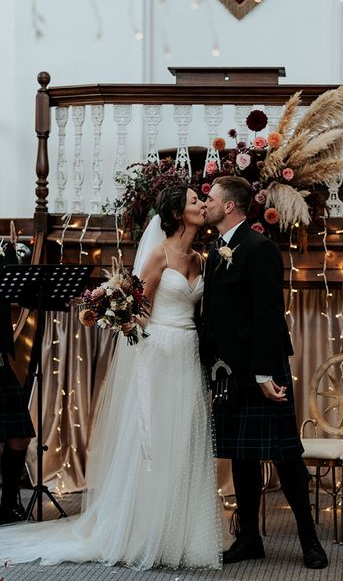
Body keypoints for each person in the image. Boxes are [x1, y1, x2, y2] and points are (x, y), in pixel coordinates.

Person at [0, 185, 222, 570]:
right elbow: (141, 310)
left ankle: (180, 533)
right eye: (193, 201)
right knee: (153, 439)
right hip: (158, 352)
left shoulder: (201, 260)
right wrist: (118, 312)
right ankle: (143, 530)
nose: (202, 204)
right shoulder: (158, 254)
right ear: (175, 215)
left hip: (188, 354)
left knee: (183, 436)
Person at [201, 175, 328, 569]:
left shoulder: (260, 248)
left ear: (229, 207)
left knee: (285, 456)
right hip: (229, 371)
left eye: (211, 199)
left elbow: (270, 315)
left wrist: (261, 374)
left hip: (262, 370)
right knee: (241, 458)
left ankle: (310, 540)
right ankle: (249, 539)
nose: (206, 204)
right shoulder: (215, 249)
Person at [0, 239, 35, 524]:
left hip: (0, 358)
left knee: (20, 434)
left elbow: (21, 295)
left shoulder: (4, 248)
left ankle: (8, 504)